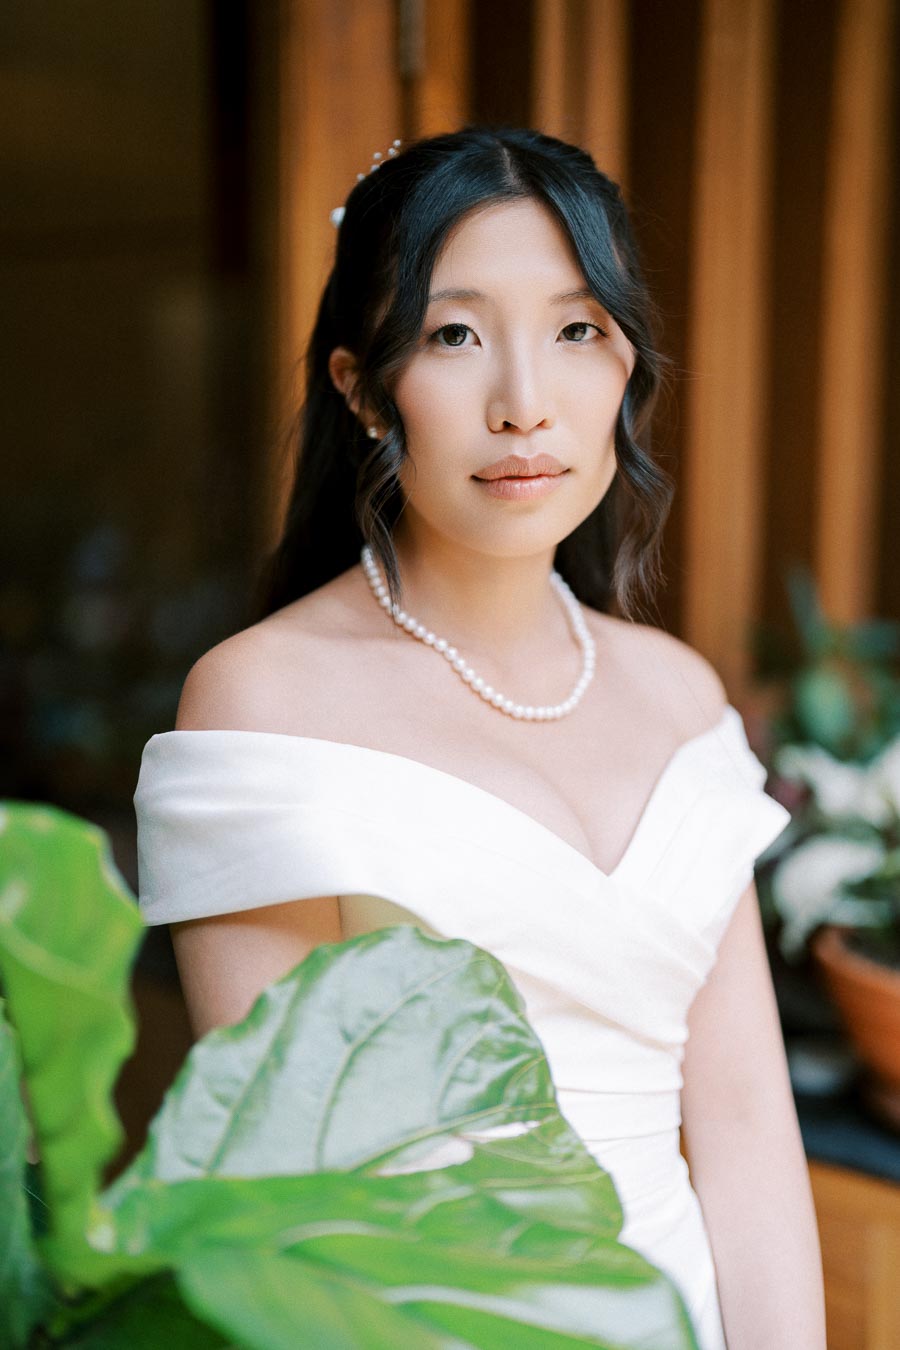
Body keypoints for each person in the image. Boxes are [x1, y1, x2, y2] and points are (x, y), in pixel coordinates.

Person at [134, 126, 826, 1348]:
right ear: (359, 383)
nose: (525, 404)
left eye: (576, 332)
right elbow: (276, 1199)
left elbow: (746, 1135)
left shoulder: (680, 696)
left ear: (626, 369)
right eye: (456, 335)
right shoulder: (262, 704)